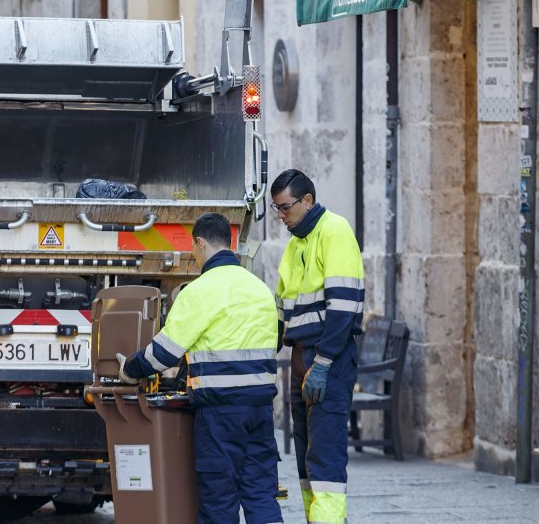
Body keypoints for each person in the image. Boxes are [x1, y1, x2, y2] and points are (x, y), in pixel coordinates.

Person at [119, 212, 283, 524]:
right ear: (230, 243)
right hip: (260, 410)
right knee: (261, 494)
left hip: (220, 415)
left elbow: (164, 354)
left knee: (219, 501)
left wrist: (130, 368)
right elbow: (276, 341)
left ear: (200, 243)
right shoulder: (261, 289)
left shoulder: (198, 291)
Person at [270, 169, 364, 524]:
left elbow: (344, 306)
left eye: (285, 208)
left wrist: (322, 363)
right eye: (276, 209)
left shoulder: (334, 231)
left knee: (324, 456)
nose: (281, 216)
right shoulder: (296, 244)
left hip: (328, 358)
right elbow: (282, 307)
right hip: (301, 357)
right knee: (306, 455)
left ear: (307, 201)